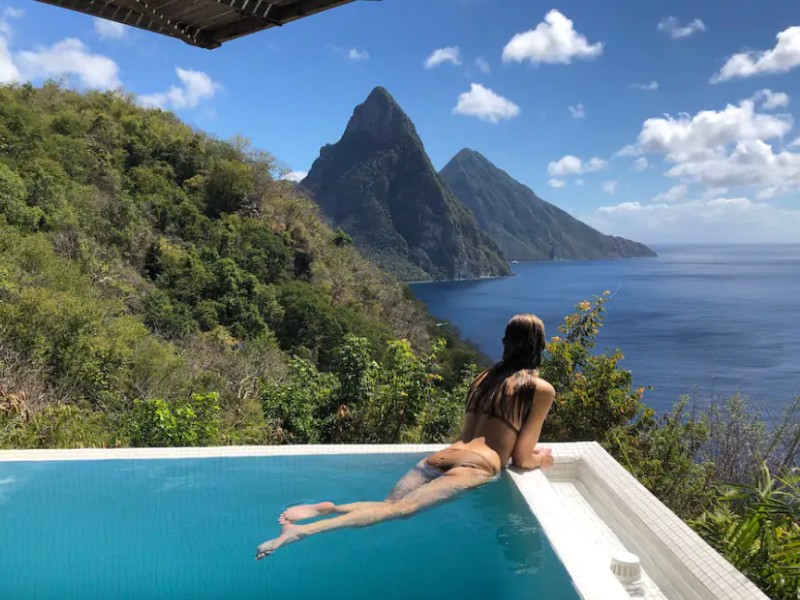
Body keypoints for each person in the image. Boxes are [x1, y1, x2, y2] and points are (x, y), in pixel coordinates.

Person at [255, 314, 556, 560]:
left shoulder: (483, 378)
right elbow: (521, 457)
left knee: (389, 504)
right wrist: (541, 460)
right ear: (537, 346)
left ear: (506, 343)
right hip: (478, 464)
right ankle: (304, 531)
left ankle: (332, 508)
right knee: (400, 511)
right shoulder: (539, 389)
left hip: (444, 455)